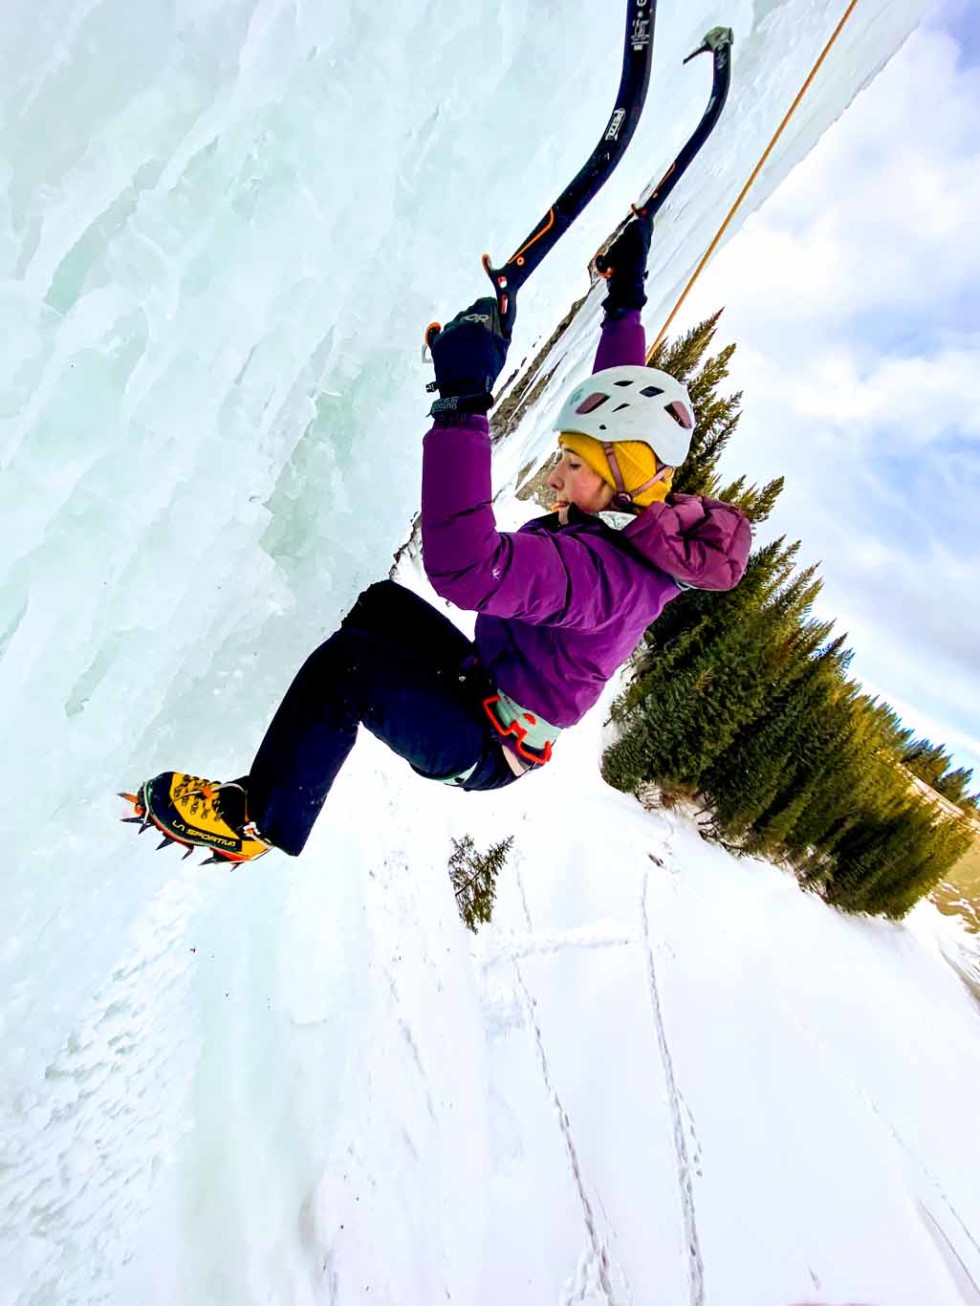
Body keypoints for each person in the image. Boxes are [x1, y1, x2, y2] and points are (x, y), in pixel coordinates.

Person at [122, 219, 751, 863]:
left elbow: (468, 569)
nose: (557, 475)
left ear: (622, 476)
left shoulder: (605, 576)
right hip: (483, 683)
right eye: (565, 456)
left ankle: (257, 819)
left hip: (483, 743)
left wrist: (462, 404)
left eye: (574, 465)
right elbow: (621, 398)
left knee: (348, 667)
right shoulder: (639, 512)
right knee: (379, 608)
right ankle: (306, 732)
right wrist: (626, 299)